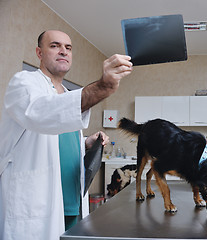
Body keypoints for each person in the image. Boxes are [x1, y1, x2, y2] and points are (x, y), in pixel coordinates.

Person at [0, 30, 133, 240]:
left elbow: (57, 140)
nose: (63, 51)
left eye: (68, 48)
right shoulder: (24, 83)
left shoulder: (67, 94)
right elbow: (41, 114)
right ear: (39, 52)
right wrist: (102, 86)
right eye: (54, 46)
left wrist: (85, 143)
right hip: (38, 203)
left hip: (71, 201)